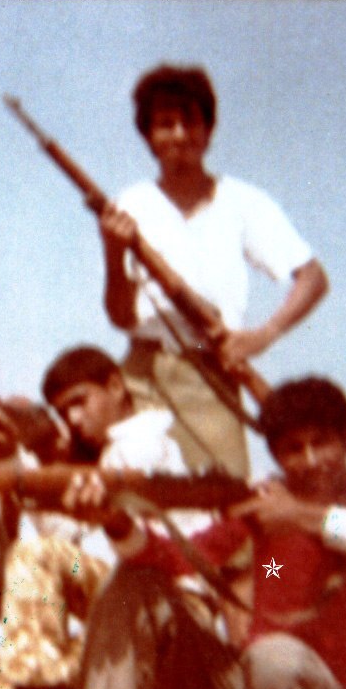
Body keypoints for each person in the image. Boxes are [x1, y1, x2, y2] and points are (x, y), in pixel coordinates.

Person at [71, 377, 346, 689]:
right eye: (293, 450)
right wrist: (115, 522)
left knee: (276, 658)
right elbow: (177, 556)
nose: (310, 460)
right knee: (134, 583)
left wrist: (309, 518)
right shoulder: (264, 505)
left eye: (321, 443)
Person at [98, 64, 328, 478]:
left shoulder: (243, 201)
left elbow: (312, 277)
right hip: (144, 376)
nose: (180, 135)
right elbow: (121, 317)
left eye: (191, 122)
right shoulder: (132, 202)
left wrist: (264, 335)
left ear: (208, 131)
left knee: (225, 494)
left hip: (214, 373)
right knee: (138, 493)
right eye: (165, 124)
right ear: (148, 136)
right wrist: (113, 254)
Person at [0, 346, 186, 689]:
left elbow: (105, 546)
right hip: (130, 593)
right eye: (63, 411)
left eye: (79, 402)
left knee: (35, 556)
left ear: (116, 386)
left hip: (163, 592)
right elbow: (79, 539)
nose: (73, 418)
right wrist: (34, 464)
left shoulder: (140, 444)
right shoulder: (116, 450)